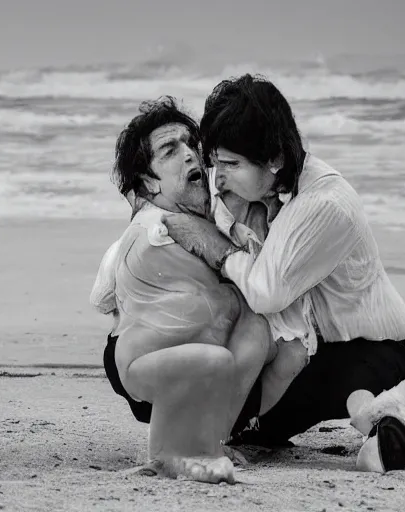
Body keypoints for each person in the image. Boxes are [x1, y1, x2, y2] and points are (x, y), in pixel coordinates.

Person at [162, 74, 405, 447]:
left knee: (251, 428)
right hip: (308, 344)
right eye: (217, 163)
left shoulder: (323, 205)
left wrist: (213, 247)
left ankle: (402, 425)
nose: (219, 178)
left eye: (232, 165)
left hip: (367, 349)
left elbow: (267, 293)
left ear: (275, 159)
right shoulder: (261, 189)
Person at [88, 97, 275, 484]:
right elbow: (104, 294)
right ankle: (171, 455)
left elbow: (100, 297)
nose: (191, 155)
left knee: (255, 330)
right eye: (170, 151)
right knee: (224, 350)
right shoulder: (154, 229)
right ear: (149, 182)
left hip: (188, 354)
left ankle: (209, 441)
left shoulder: (209, 215)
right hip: (147, 362)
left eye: (192, 144)